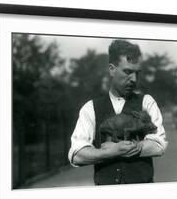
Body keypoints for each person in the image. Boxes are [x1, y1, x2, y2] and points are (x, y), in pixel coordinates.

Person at [68, 39, 168, 185]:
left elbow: (159, 144)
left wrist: (134, 147)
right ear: (112, 69)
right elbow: (76, 155)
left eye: (137, 73)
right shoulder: (90, 108)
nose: (133, 79)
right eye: (127, 71)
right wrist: (110, 152)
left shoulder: (147, 102)